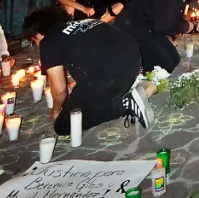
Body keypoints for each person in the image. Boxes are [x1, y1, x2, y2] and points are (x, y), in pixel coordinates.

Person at [23, 7, 154, 133]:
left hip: (113, 75)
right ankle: (132, 86)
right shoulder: (86, 22)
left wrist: (56, 110)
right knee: (89, 94)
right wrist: (75, 86)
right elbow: (95, 56)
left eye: (34, 41)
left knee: (64, 125)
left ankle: (125, 105)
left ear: (38, 34)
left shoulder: (48, 42)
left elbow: (60, 90)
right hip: (134, 61)